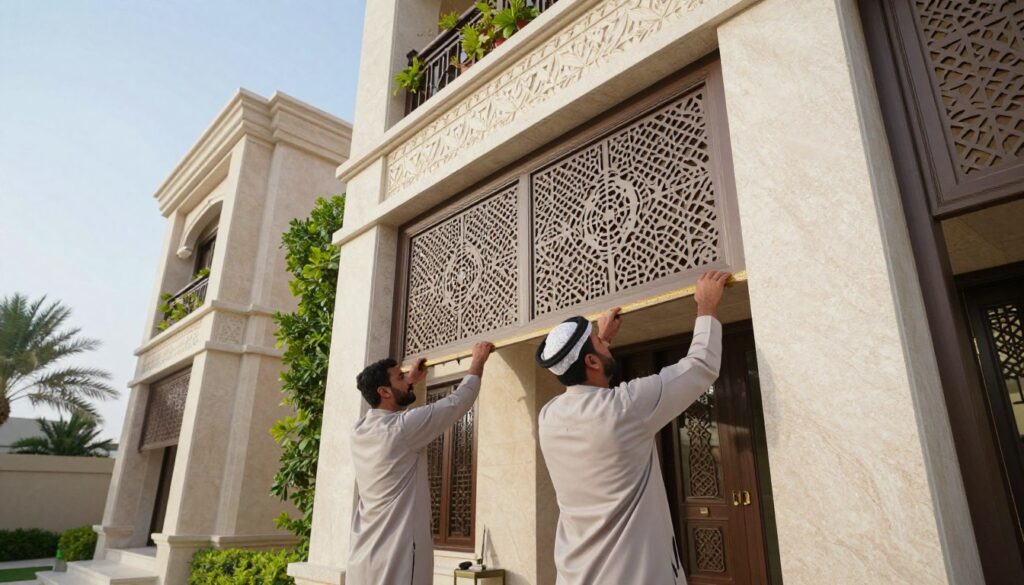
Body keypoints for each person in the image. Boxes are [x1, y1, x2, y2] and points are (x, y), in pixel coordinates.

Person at [536, 271, 731, 585]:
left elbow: (589, 383)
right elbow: (700, 367)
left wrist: (602, 340)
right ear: (592, 361)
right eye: (600, 343)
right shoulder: (625, 408)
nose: (605, 344)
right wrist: (706, 307)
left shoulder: (548, 417)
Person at [347, 341, 495, 585]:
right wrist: (477, 360)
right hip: (398, 556)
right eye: (400, 377)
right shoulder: (401, 429)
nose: (406, 379)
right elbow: (458, 402)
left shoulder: (360, 430)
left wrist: (410, 383)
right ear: (384, 392)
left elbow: (403, 418)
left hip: (365, 554)